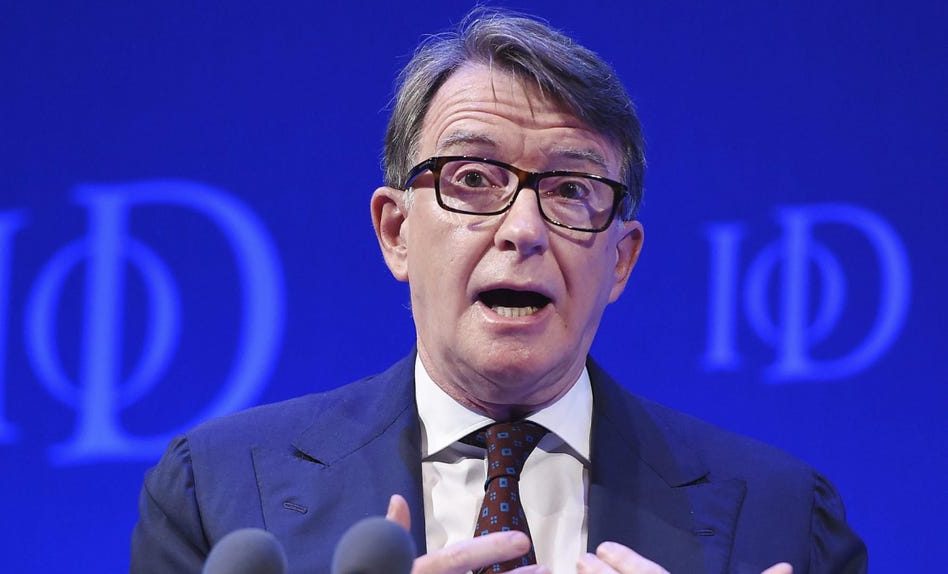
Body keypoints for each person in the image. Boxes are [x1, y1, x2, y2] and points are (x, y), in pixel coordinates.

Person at [130, 9, 867, 573]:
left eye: (571, 189)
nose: (523, 229)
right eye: (474, 178)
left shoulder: (786, 519)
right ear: (396, 231)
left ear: (621, 260)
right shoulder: (218, 492)